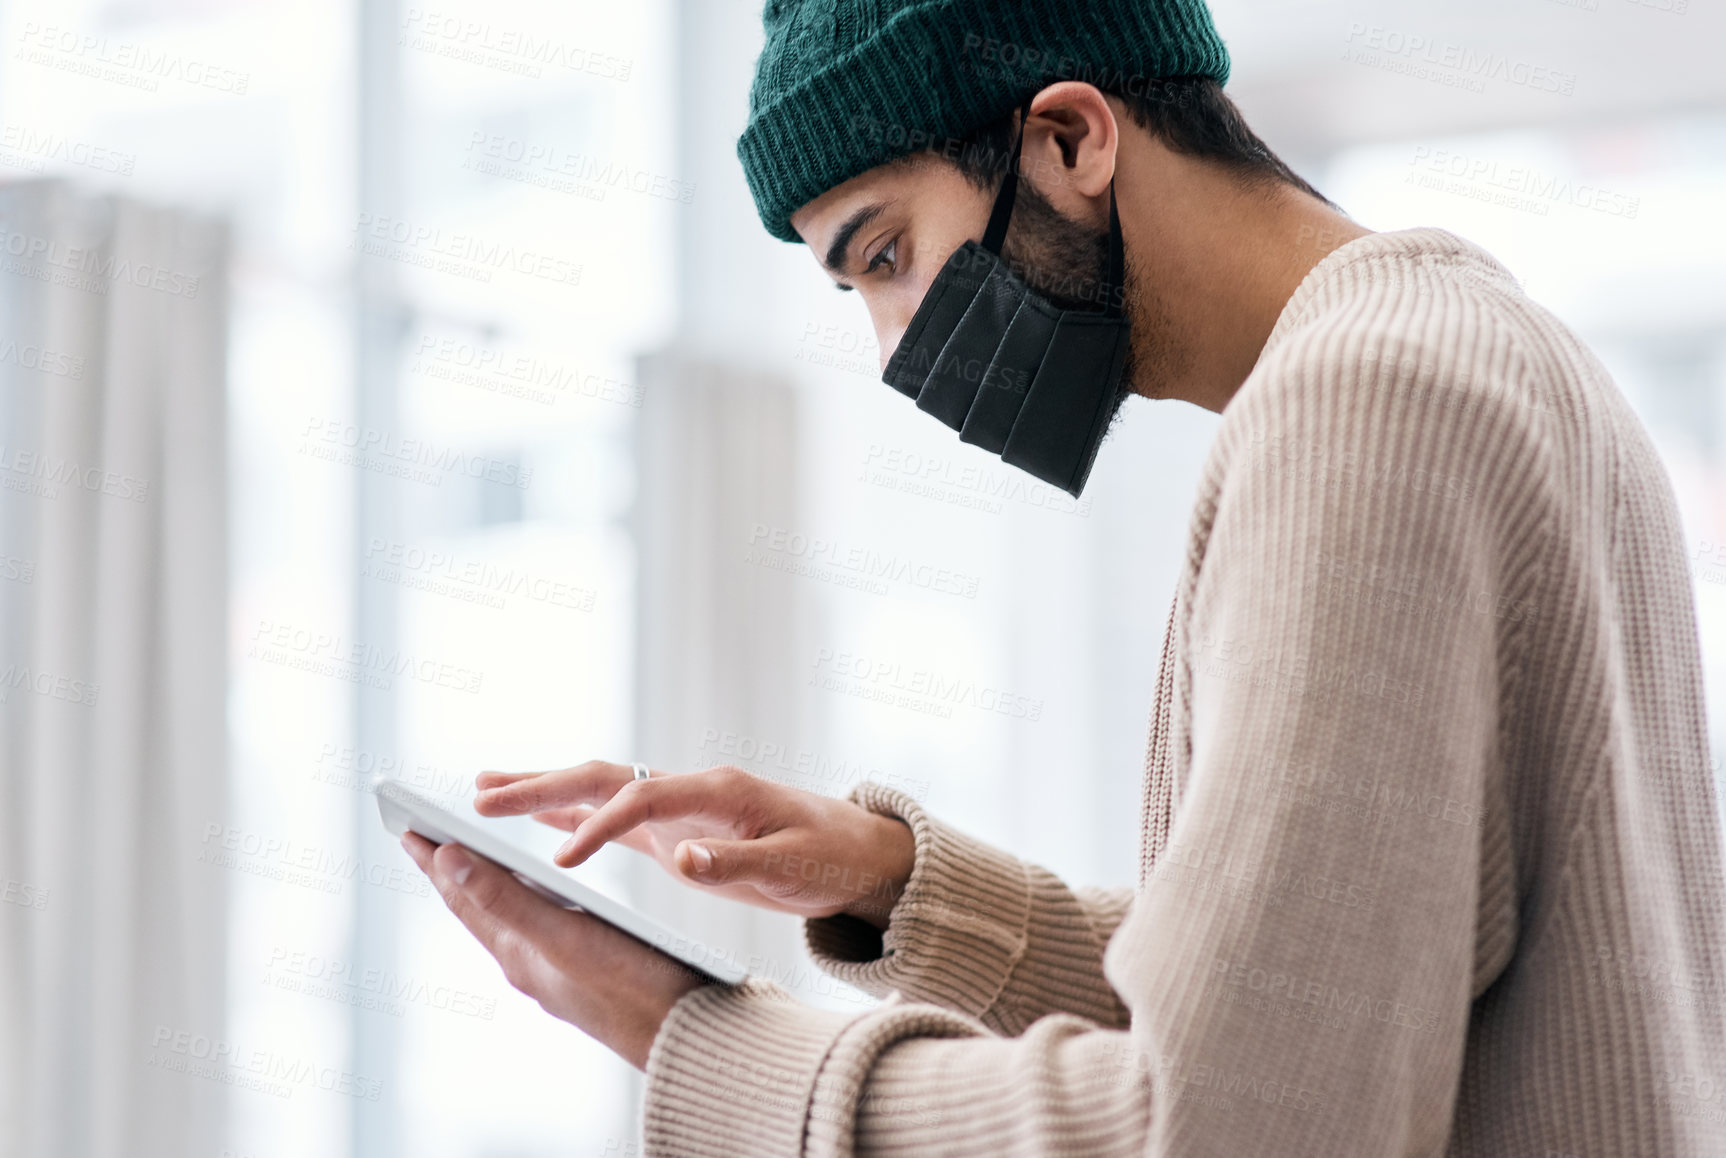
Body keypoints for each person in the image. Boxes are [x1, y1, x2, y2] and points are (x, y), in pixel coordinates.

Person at [399, 1, 1726, 1154]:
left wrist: (687, 1039)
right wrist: (894, 879)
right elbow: (1321, 1007)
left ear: (1073, 139)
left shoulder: (1361, 404)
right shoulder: (1493, 346)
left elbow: (1230, 1125)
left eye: (884, 253)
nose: (889, 345)